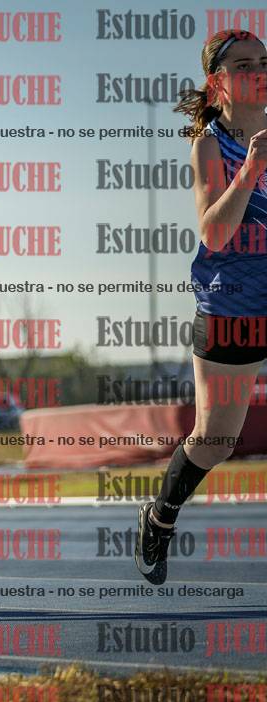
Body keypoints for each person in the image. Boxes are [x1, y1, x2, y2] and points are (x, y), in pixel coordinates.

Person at [136, 29, 267, 585]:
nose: (259, 72)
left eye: (264, 62)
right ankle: (160, 516)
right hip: (233, 306)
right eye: (244, 65)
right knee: (216, 441)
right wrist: (251, 170)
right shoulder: (210, 146)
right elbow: (214, 233)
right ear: (218, 82)